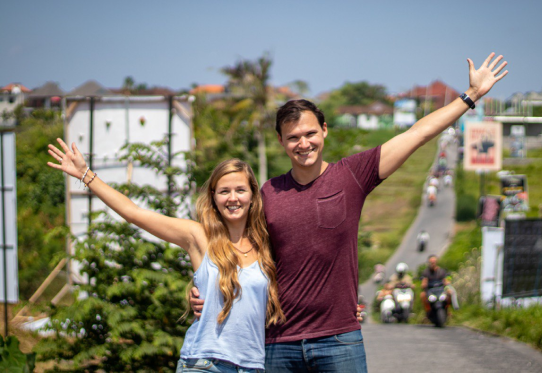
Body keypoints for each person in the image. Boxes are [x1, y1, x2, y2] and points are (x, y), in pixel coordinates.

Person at [191, 53, 508, 372]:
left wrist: (471, 96)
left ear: (324, 130)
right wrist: (204, 292)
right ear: (281, 141)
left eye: (310, 134)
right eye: (293, 138)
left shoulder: (352, 175)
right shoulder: (268, 194)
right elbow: (235, 250)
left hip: (339, 340)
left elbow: (416, 134)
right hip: (277, 341)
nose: (304, 144)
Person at [47, 140, 284, 373]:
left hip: (252, 365)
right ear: (213, 197)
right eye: (224, 191)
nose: (233, 198)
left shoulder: (264, 246)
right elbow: (134, 213)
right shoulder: (199, 236)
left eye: (240, 190)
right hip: (204, 364)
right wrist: (85, 174)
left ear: (253, 195)